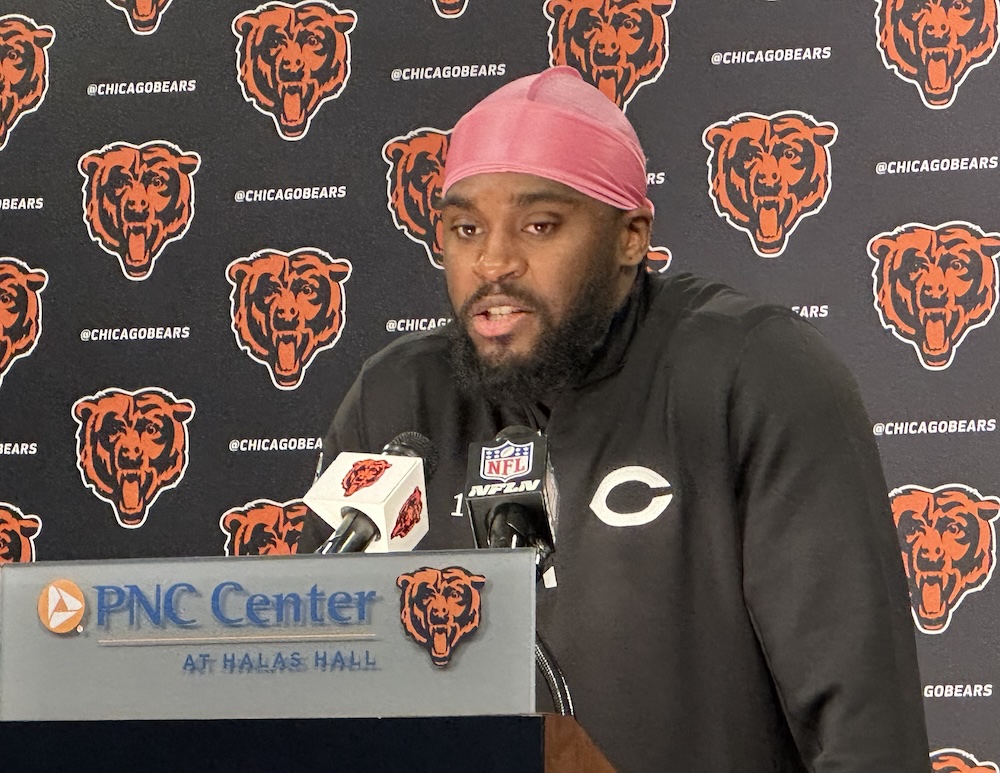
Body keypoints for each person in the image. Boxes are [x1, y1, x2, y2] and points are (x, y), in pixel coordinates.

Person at [305, 67, 930, 772]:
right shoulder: (397, 404)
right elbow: (314, 689)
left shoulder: (751, 377)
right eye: (464, 227)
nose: (493, 261)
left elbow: (866, 735)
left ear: (631, 236)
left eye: (539, 225)